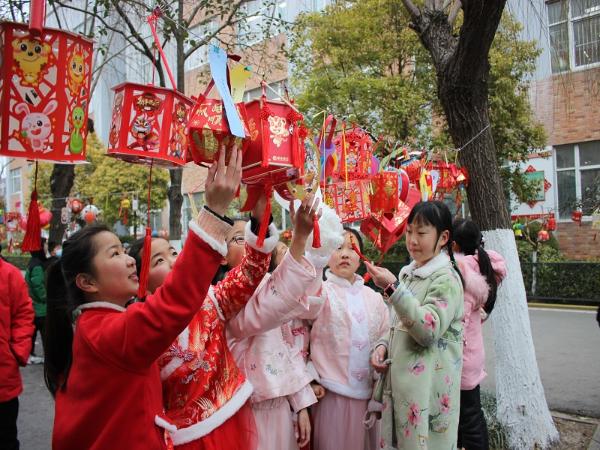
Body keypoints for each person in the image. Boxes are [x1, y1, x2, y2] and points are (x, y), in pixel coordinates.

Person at [44, 148, 242, 450]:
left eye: (124, 250)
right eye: (114, 254)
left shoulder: (99, 326)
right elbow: (172, 304)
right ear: (87, 282)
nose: (129, 261)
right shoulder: (106, 332)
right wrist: (212, 213)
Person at [128, 190, 282, 450]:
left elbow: (251, 271)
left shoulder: (210, 298)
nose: (172, 261)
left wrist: (260, 218)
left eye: (173, 253)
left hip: (231, 418)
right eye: (159, 260)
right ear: (139, 277)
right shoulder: (138, 327)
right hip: (185, 437)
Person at [227, 201, 342, 450]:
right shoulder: (225, 299)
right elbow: (273, 304)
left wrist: (300, 404)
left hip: (279, 406)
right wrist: (300, 238)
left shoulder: (271, 285)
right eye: (239, 238)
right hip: (243, 409)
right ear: (222, 256)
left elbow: (290, 348)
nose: (249, 243)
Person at [366, 201, 464, 450]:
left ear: (443, 237)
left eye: (421, 233)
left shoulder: (447, 279)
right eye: (409, 231)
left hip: (426, 397)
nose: (412, 240)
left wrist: (393, 289)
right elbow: (398, 324)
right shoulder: (409, 274)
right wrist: (382, 346)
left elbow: (428, 331)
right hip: (402, 393)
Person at [309, 227, 390, 450]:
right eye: (337, 247)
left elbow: (386, 334)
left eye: (352, 248)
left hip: (369, 398)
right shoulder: (319, 292)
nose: (345, 254)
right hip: (331, 396)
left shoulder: (374, 298)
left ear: (361, 258)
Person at [452, 219, 507, 450]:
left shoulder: (462, 273)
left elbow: (458, 323)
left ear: (452, 244)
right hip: (473, 355)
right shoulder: (483, 265)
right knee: (471, 415)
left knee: (468, 419)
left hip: (460, 357)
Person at [0, 245, 35, 450]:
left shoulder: (9, 274)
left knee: (5, 440)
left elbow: (23, 314)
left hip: (3, 378)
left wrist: (17, 352)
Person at [24, 238, 48, 364]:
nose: (46, 247)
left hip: (34, 306)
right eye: (45, 244)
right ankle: (48, 356)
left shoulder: (33, 262)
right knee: (45, 333)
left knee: (32, 332)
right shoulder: (38, 265)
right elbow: (37, 285)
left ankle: (30, 353)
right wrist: (45, 297)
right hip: (40, 307)